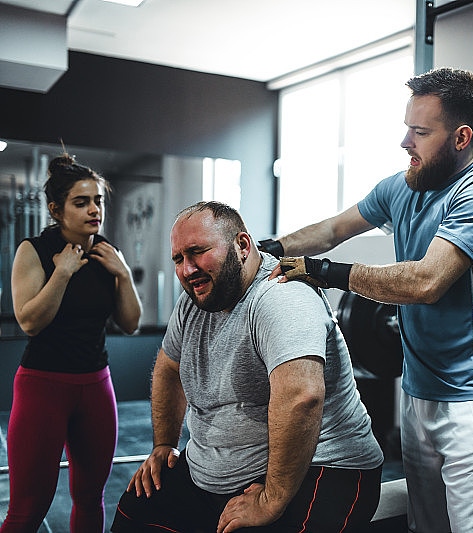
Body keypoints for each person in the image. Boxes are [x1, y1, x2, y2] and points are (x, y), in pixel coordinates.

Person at [262, 67, 473, 532]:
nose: (405, 141)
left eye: (421, 132)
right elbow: (331, 230)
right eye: (407, 127)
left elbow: (427, 282)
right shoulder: (403, 186)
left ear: (461, 136)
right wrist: (270, 250)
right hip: (417, 396)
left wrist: (327, 275)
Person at [111, 201, 384, 533]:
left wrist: (272, 499)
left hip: (321, 467)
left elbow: (302, 397)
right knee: (134, 515)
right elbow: (169, 367)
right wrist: (164, 445)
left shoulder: (281, 296)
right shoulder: (195, 300)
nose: (187, 269)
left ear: (242, 245)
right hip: (217, 472)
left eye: (198, 252)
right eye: (179, 259)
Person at [3, 153, 142, 532]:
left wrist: (125, 275)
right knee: (27, 508)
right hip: (42, 387)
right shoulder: (33, 250)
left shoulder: (107, 253)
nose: (94, 209)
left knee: (90, 500)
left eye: (97, 200)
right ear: (56, 209)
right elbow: (30, 322)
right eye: (81, 202)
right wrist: (61, 274)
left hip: (96, 386)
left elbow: (130, 324)